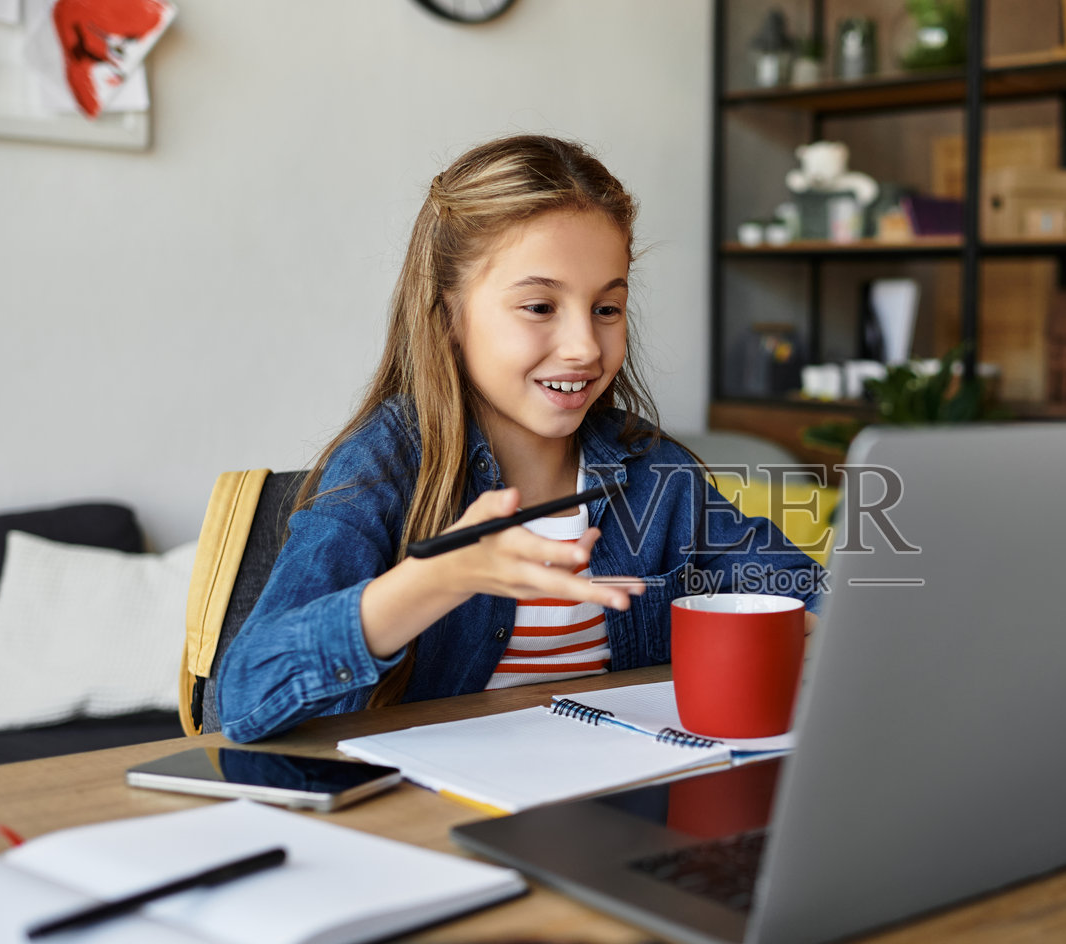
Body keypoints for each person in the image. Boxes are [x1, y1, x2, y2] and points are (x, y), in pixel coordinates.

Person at [218, 135, 827, 744]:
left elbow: (805, 594)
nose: (584, 347)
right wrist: (437, 579)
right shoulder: (384, 464)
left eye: (607, 308)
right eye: (539, 306)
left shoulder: (656, 475)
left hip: (617, 788)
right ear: (449, 315)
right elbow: (243, 695)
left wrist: (824, 628)